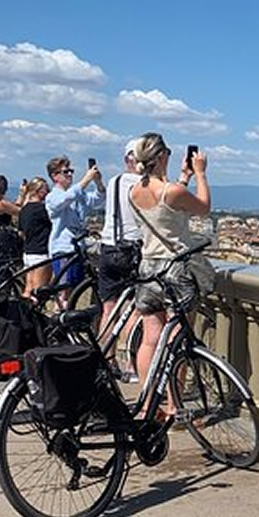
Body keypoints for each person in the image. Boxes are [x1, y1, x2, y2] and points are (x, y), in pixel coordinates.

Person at [128, 132, 210, 409]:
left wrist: (183, 177)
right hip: (175, 269)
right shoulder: (171, 192)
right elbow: (203, 208)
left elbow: (168, 205)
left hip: (147, 268)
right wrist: (200, 174)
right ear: (162, 157)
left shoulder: (134, 192)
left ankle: (149, 402)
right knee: (177, 340)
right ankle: (175, 406)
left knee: (150, 340)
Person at [98, 139, 142, 377]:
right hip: (130, 251)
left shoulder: (114, 181)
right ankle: (131, 364)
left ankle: (107, 358)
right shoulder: (142, 184)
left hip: (107, 247)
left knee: (108, 309)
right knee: (134, 310)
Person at [45, 155, 105, 289]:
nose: (70, 174)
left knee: (74, 288)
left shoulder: (78, 195)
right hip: (63, 248)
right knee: (63, 290)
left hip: (78, 248)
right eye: (65, 172)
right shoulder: (52, 197)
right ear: (55, 176)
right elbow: (65, 199)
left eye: (71, 171)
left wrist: (98, 182)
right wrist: (86, 179)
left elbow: (97, 200)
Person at [17, 177, 52, 297]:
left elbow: (21, 233)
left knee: (28, 289)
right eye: (46, 189)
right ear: (39, 191)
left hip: (28, 252)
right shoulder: (42, 210)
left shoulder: (24, 210)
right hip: (41, 252)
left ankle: (22, 314)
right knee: (38, 292)